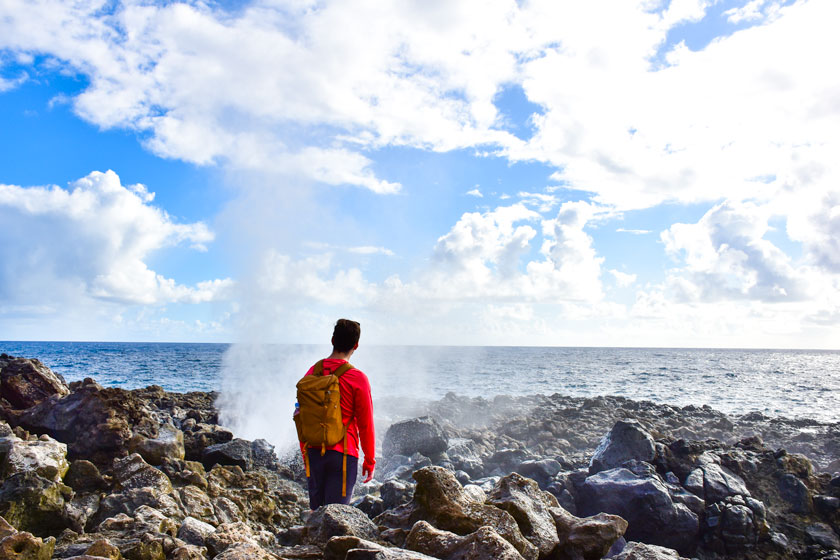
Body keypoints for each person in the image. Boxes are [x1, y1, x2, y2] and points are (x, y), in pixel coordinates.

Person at [299, 318, 375, 509]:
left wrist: (305, 451)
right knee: (336, 516)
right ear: (356, 345)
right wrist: (369, 460)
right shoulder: (357, 378)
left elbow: (302, 414)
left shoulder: (312, 372)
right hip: (343, 454)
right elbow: (366, 424)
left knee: (317, 514)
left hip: (314, 450)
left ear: (332, 340)